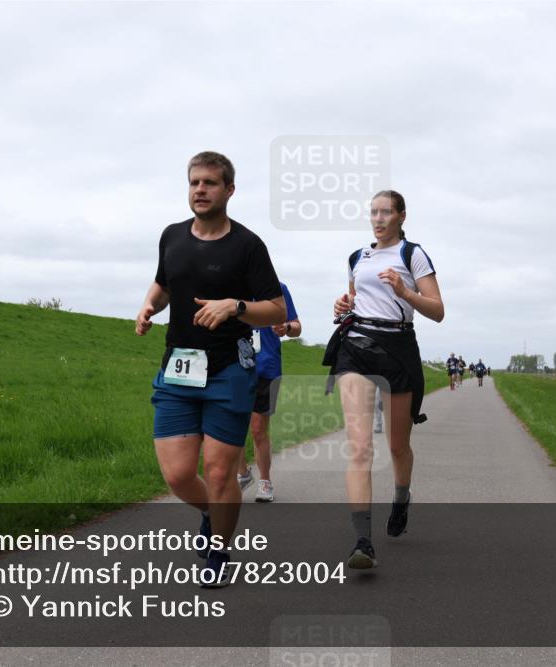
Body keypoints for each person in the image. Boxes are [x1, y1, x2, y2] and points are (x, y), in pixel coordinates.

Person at [136, 151, 286, 587]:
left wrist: (235, 306)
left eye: (210, 183)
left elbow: (274, 309)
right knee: (179, 475)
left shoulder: (248, 245)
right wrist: (149, 306)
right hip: (179, 370)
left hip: (228, 371)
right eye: (194, 182)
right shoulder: (171, 236)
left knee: (220, 472)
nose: (200, 190)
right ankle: (213, 513)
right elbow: (164, 283)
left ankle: (219, 551)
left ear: (229, 191)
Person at [323, 190, 444, 569]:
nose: (377, 219)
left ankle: (402, 497)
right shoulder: (358, 257)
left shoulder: (414, 254)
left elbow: (437, 311)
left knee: (396, 446)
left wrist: (405, 291)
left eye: (385, 212)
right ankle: (363, 541)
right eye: (373, 212)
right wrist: (343, 305)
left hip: (397, 349)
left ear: (401, 216)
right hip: (355, 345)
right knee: (360, 448)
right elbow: (354, 299)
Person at [237, 282, 301, 502]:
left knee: (257, 428)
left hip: (266, 366)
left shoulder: (277, 289)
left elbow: (296, 326)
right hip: (234, 366)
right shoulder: (231, 285)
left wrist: (287, 328)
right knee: (230, 426)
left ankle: (265, 481)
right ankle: (243, 474)